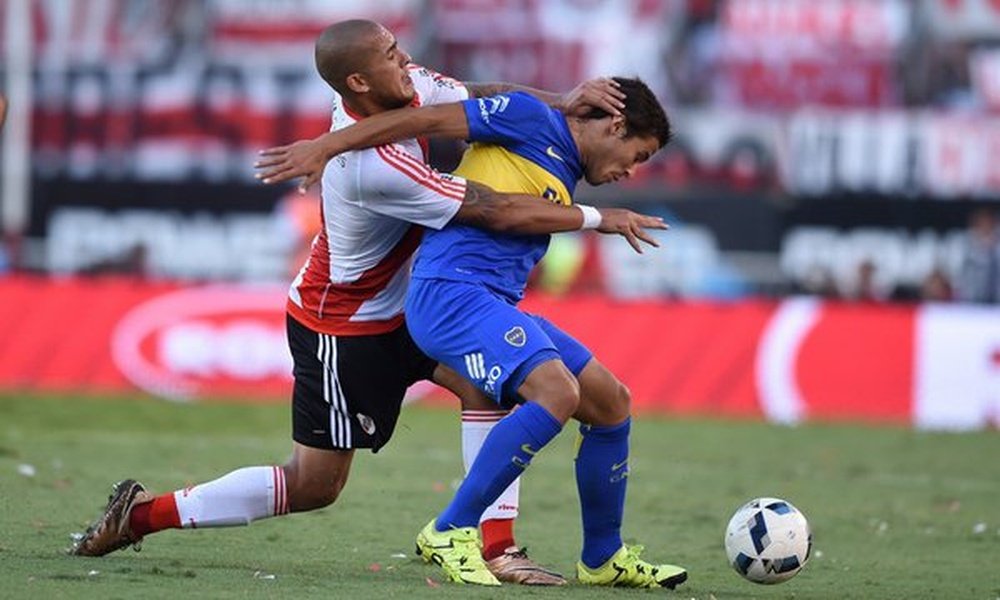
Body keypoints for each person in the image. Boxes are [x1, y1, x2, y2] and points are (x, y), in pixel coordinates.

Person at [70, 20, 665, 588]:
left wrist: (558, 102)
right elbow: (494, 208)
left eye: (397, 47)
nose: (405, 59)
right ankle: (143, 515)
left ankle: (494, 545)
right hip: (346, 324)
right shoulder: (372, 170)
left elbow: (482, 97)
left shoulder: (406, 86)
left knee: (490, 384)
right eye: (388, 55)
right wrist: (596, 218)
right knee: (314, 485)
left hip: (421, 301)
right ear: (359, 83)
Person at [257, 77, 688, 588]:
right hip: (450, 295)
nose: (630, 173)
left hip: (492, 302)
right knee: (556, 392)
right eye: (637, 156)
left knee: (612, 404)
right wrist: (327, 146)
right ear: (616, 125)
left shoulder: (564, 158)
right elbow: (424, 120)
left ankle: (603, 557)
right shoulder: (529, 120)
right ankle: (451, 528)